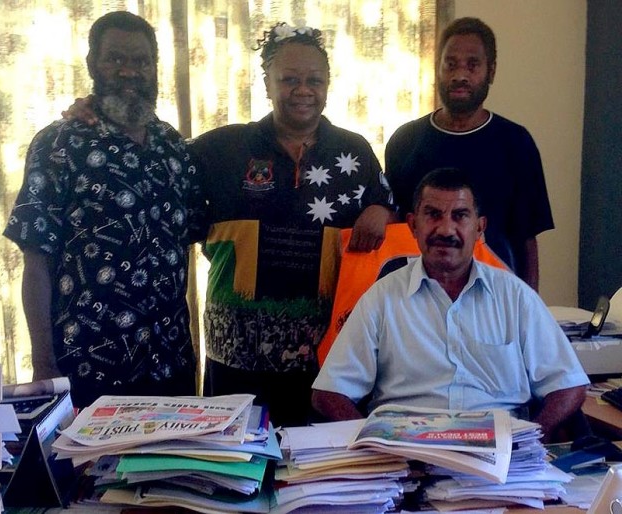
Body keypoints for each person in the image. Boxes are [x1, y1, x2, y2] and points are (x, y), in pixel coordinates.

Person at [188, 23, 395, 427]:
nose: (303, 90)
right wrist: (89, 109)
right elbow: (156, 155)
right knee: (235, 475)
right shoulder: (222, 148)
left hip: (328, 361)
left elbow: (393, 209)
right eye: (289, 79)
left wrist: (382, 209)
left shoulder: (354, 150)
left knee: (316, 477)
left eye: (314, 80)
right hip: (235, 357)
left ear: (328, 84)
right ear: (266, 83)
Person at [3, 11, 208, 408]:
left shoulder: (175, 148)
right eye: (116, 58)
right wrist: (43, 365)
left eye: (141, 61)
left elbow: (197, 232)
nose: (129, 71)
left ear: (155, 68)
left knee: (173, 471)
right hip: (88, 368)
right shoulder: (58, 145)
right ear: (93, 65)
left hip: (171, 366)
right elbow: (36, 261)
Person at [311, 167, 589, 443]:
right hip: (407, 449)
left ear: (479, 228)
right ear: (412, 225)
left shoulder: (515, 297)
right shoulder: (381, 298)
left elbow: (568, 385)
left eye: (460, 216)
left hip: (501, 453)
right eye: (433, 215)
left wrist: (532, 438)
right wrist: (373, 442)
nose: (446, 229)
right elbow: (329, 392)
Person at [384, 17, 553, 291]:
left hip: (495, 301)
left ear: (492, 72)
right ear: (436, 68)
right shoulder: (405, 141)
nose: (460, 75)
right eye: (450, 64)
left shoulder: (516, 143)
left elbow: (526, 240)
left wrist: (530, 310)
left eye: (472, 65)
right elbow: (392, 229)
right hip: (418, 301)